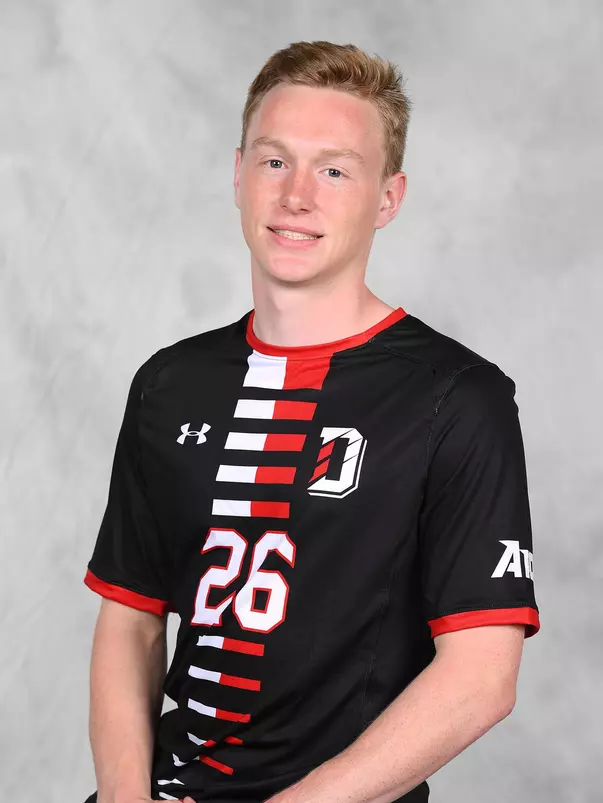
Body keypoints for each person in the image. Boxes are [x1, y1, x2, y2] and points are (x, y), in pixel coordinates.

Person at [82, 40, 540, 803]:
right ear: (237, 175)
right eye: (273, 162)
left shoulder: (456, 398)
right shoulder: (169, 382)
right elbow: (129, 620)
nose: (297, 196)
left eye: (333, 169)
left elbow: (480, 677)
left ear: (387, 198)